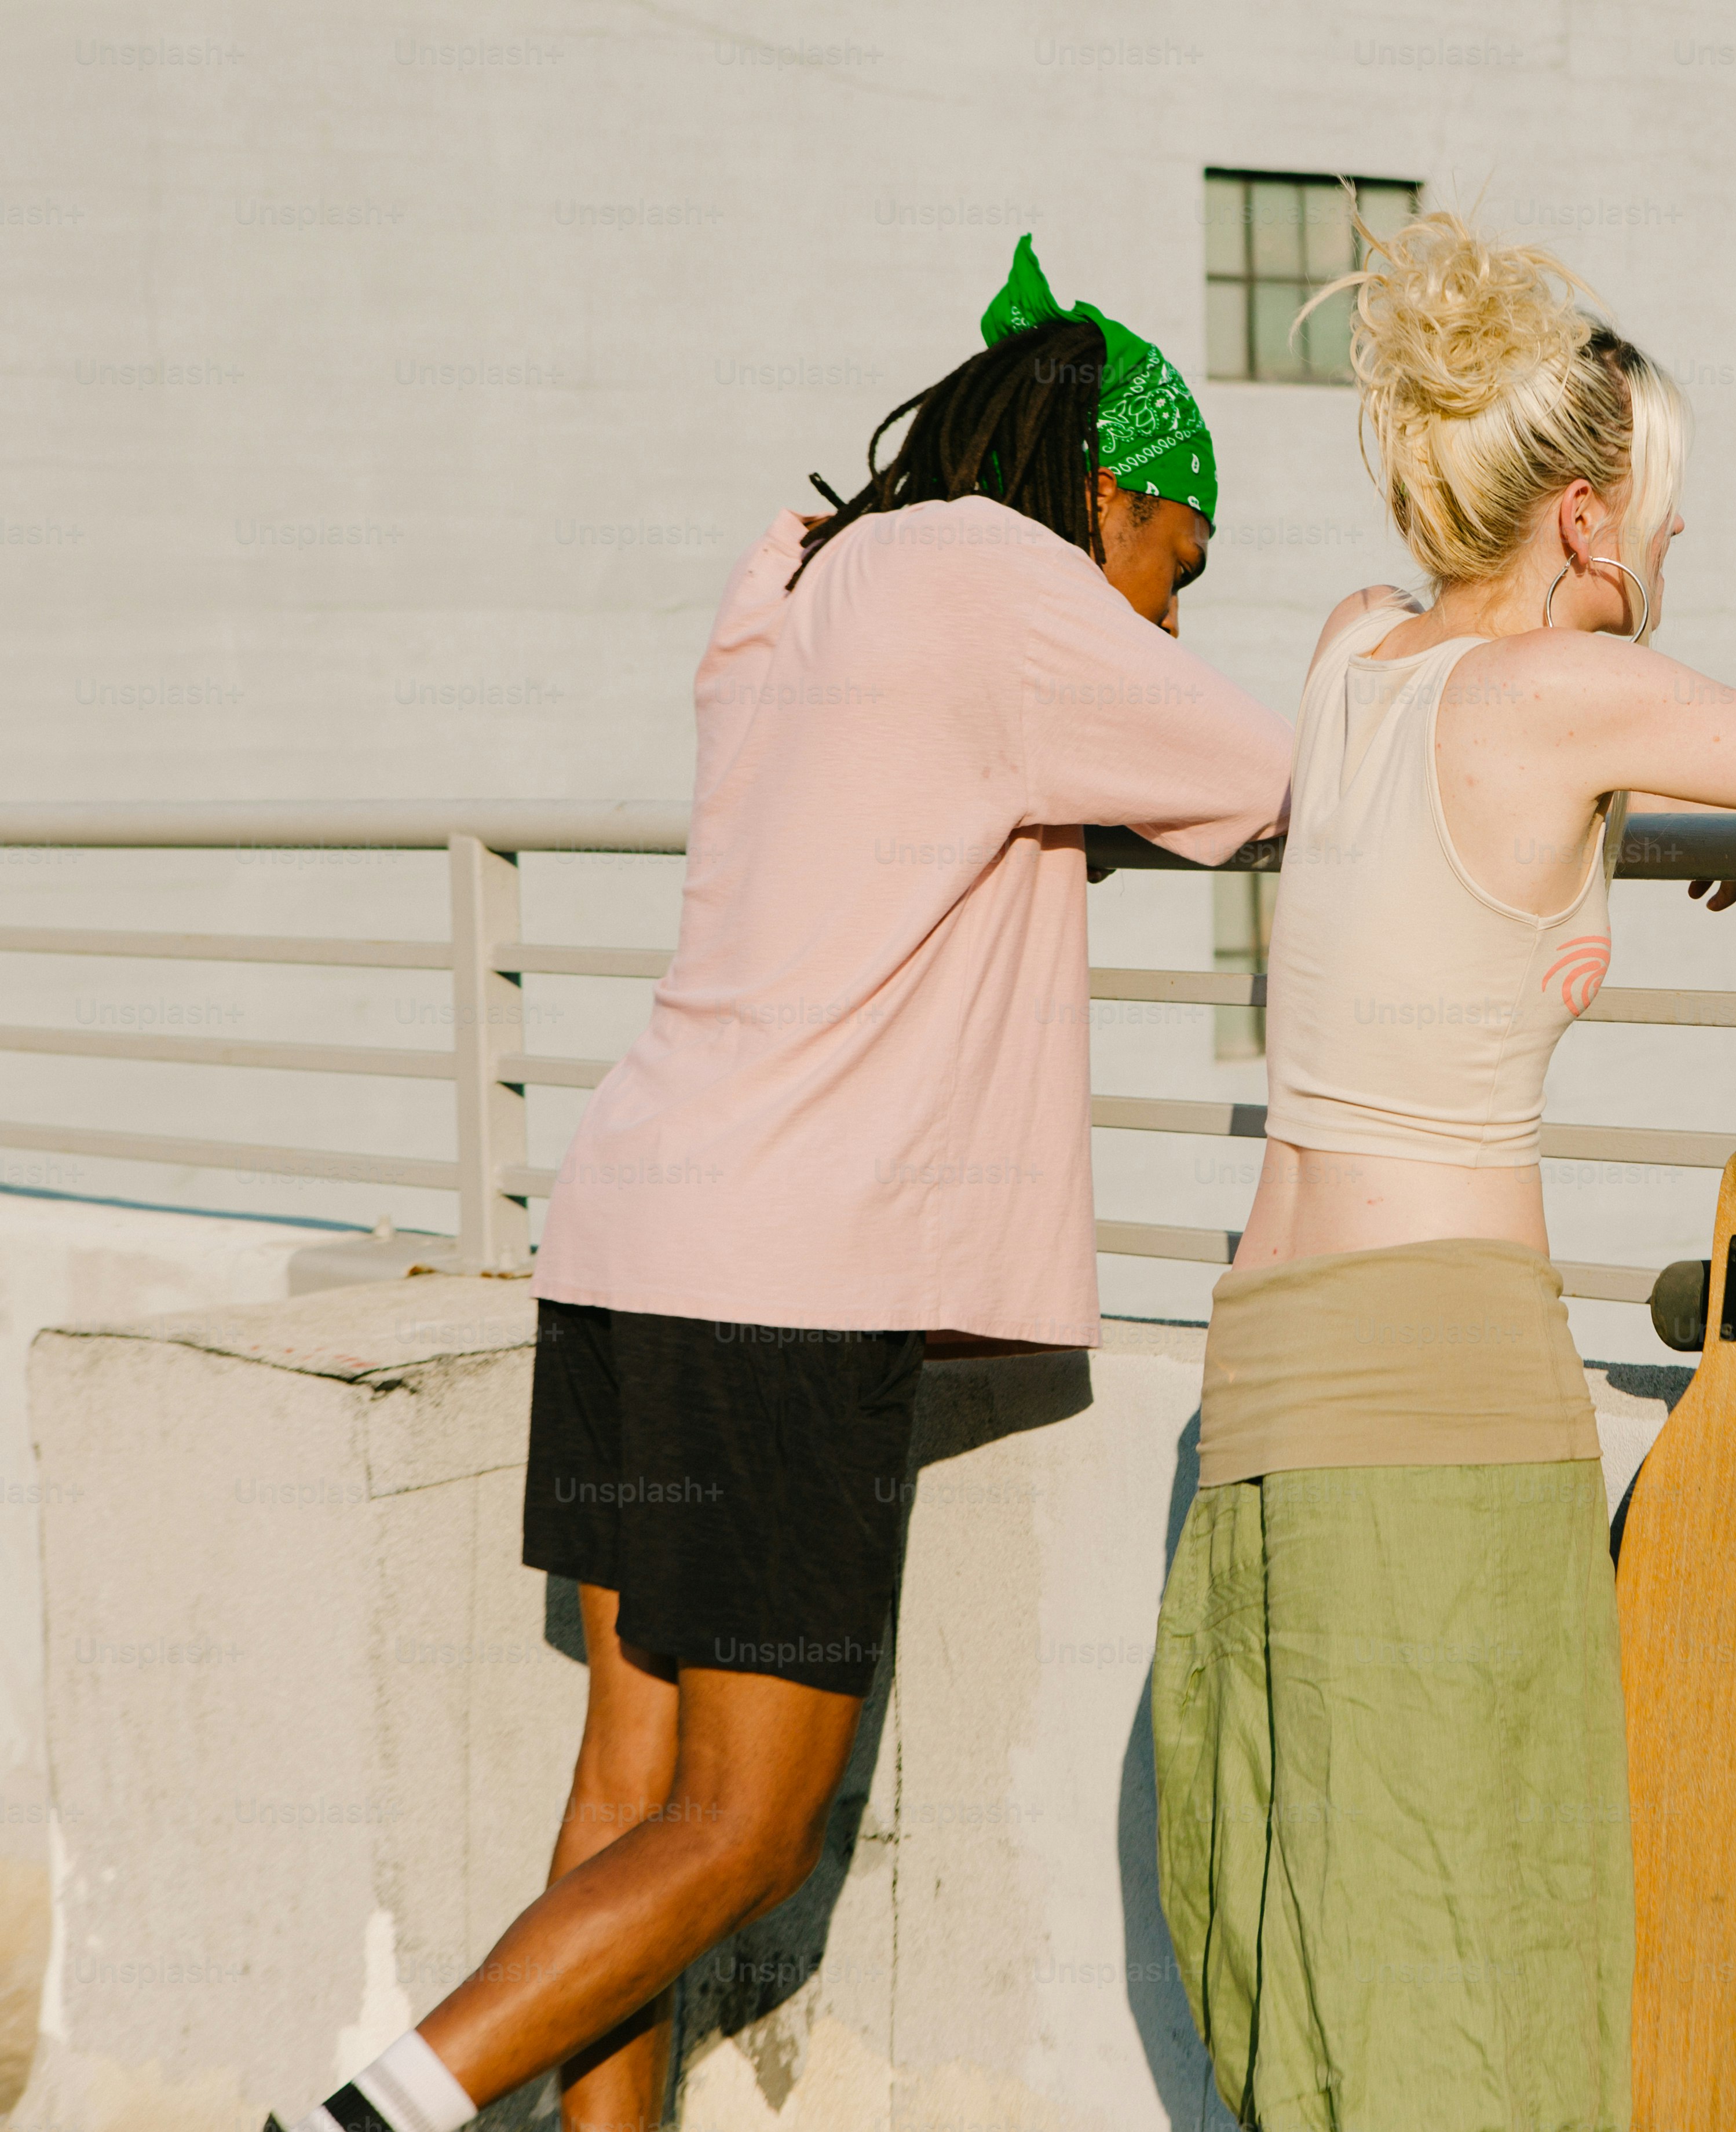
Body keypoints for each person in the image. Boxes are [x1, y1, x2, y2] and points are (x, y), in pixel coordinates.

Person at [267, 238, 1291, 2132]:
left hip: (636, 1216)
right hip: (791, 1277)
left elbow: (908, 834)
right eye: (1180, 559)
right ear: (1116, 492)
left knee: (628, 1798)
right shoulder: (1016, 577)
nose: (1165, 613)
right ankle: (365, 2114)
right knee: (745, 1830)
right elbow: (1260, 769)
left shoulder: (807, 568)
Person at [1149, 211, 1736, 2132]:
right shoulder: (1568, 698)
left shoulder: (1355, 648)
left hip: (1269, 1354)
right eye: (1662, 513)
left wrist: (1668, 813)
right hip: (1440, 1371)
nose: (1677, 547)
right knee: (1479, 1894)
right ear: (1588, 519)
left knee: (1311, 1886)